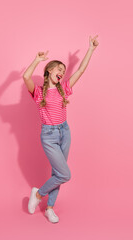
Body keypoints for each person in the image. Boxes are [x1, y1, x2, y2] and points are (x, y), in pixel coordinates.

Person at [23, 35, 99, 223]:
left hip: (65, 132)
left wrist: (90, 49)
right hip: (48, 135)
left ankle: (50, 208)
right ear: (49, 70)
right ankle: (39, 194)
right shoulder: (38, 92)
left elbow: (80, 71)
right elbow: (26, 76)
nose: (63, 72)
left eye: (64, 71)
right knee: (65, 174)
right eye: (59, 69)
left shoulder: (63, 88)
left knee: (57, 174)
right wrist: (37, 59)